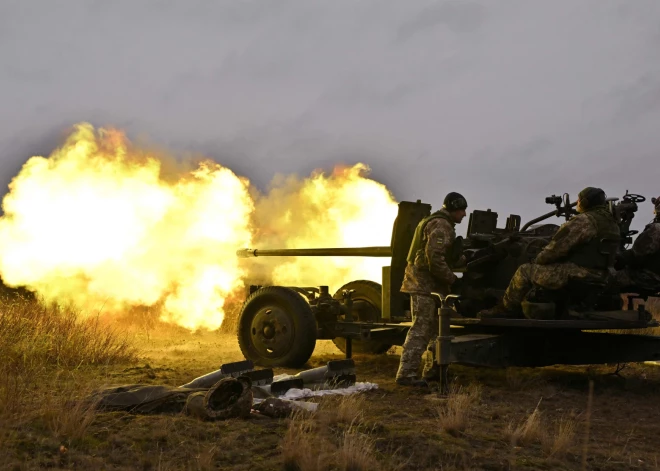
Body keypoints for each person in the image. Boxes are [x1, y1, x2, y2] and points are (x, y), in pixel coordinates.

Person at [479, 187, 621, 318]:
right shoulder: (612, 224)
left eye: (579, 200)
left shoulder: (584, 221)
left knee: (524, 271)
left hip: (579, 273)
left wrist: (538, 259)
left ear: (585, 202)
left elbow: (555, 249)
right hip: (602, 276)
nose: (577, 202)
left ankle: (504, 310)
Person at [395, 192, 467, 387]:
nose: (464, 214)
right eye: (461, 210)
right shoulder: (441, 225)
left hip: (431, 287)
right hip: (424, 286)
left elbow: (443, 255)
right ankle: (406, 375)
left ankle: (433, 372)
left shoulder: (438, 223)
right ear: (453, 208)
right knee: (421, 329)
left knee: (437, 331)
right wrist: (454, 279)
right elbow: (434, 260)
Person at [615, 196, 660, 293]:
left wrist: (615, 260)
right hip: (655, 277)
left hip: (649, 278)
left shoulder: (656, 229)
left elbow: (634, 255)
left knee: (603, 279)